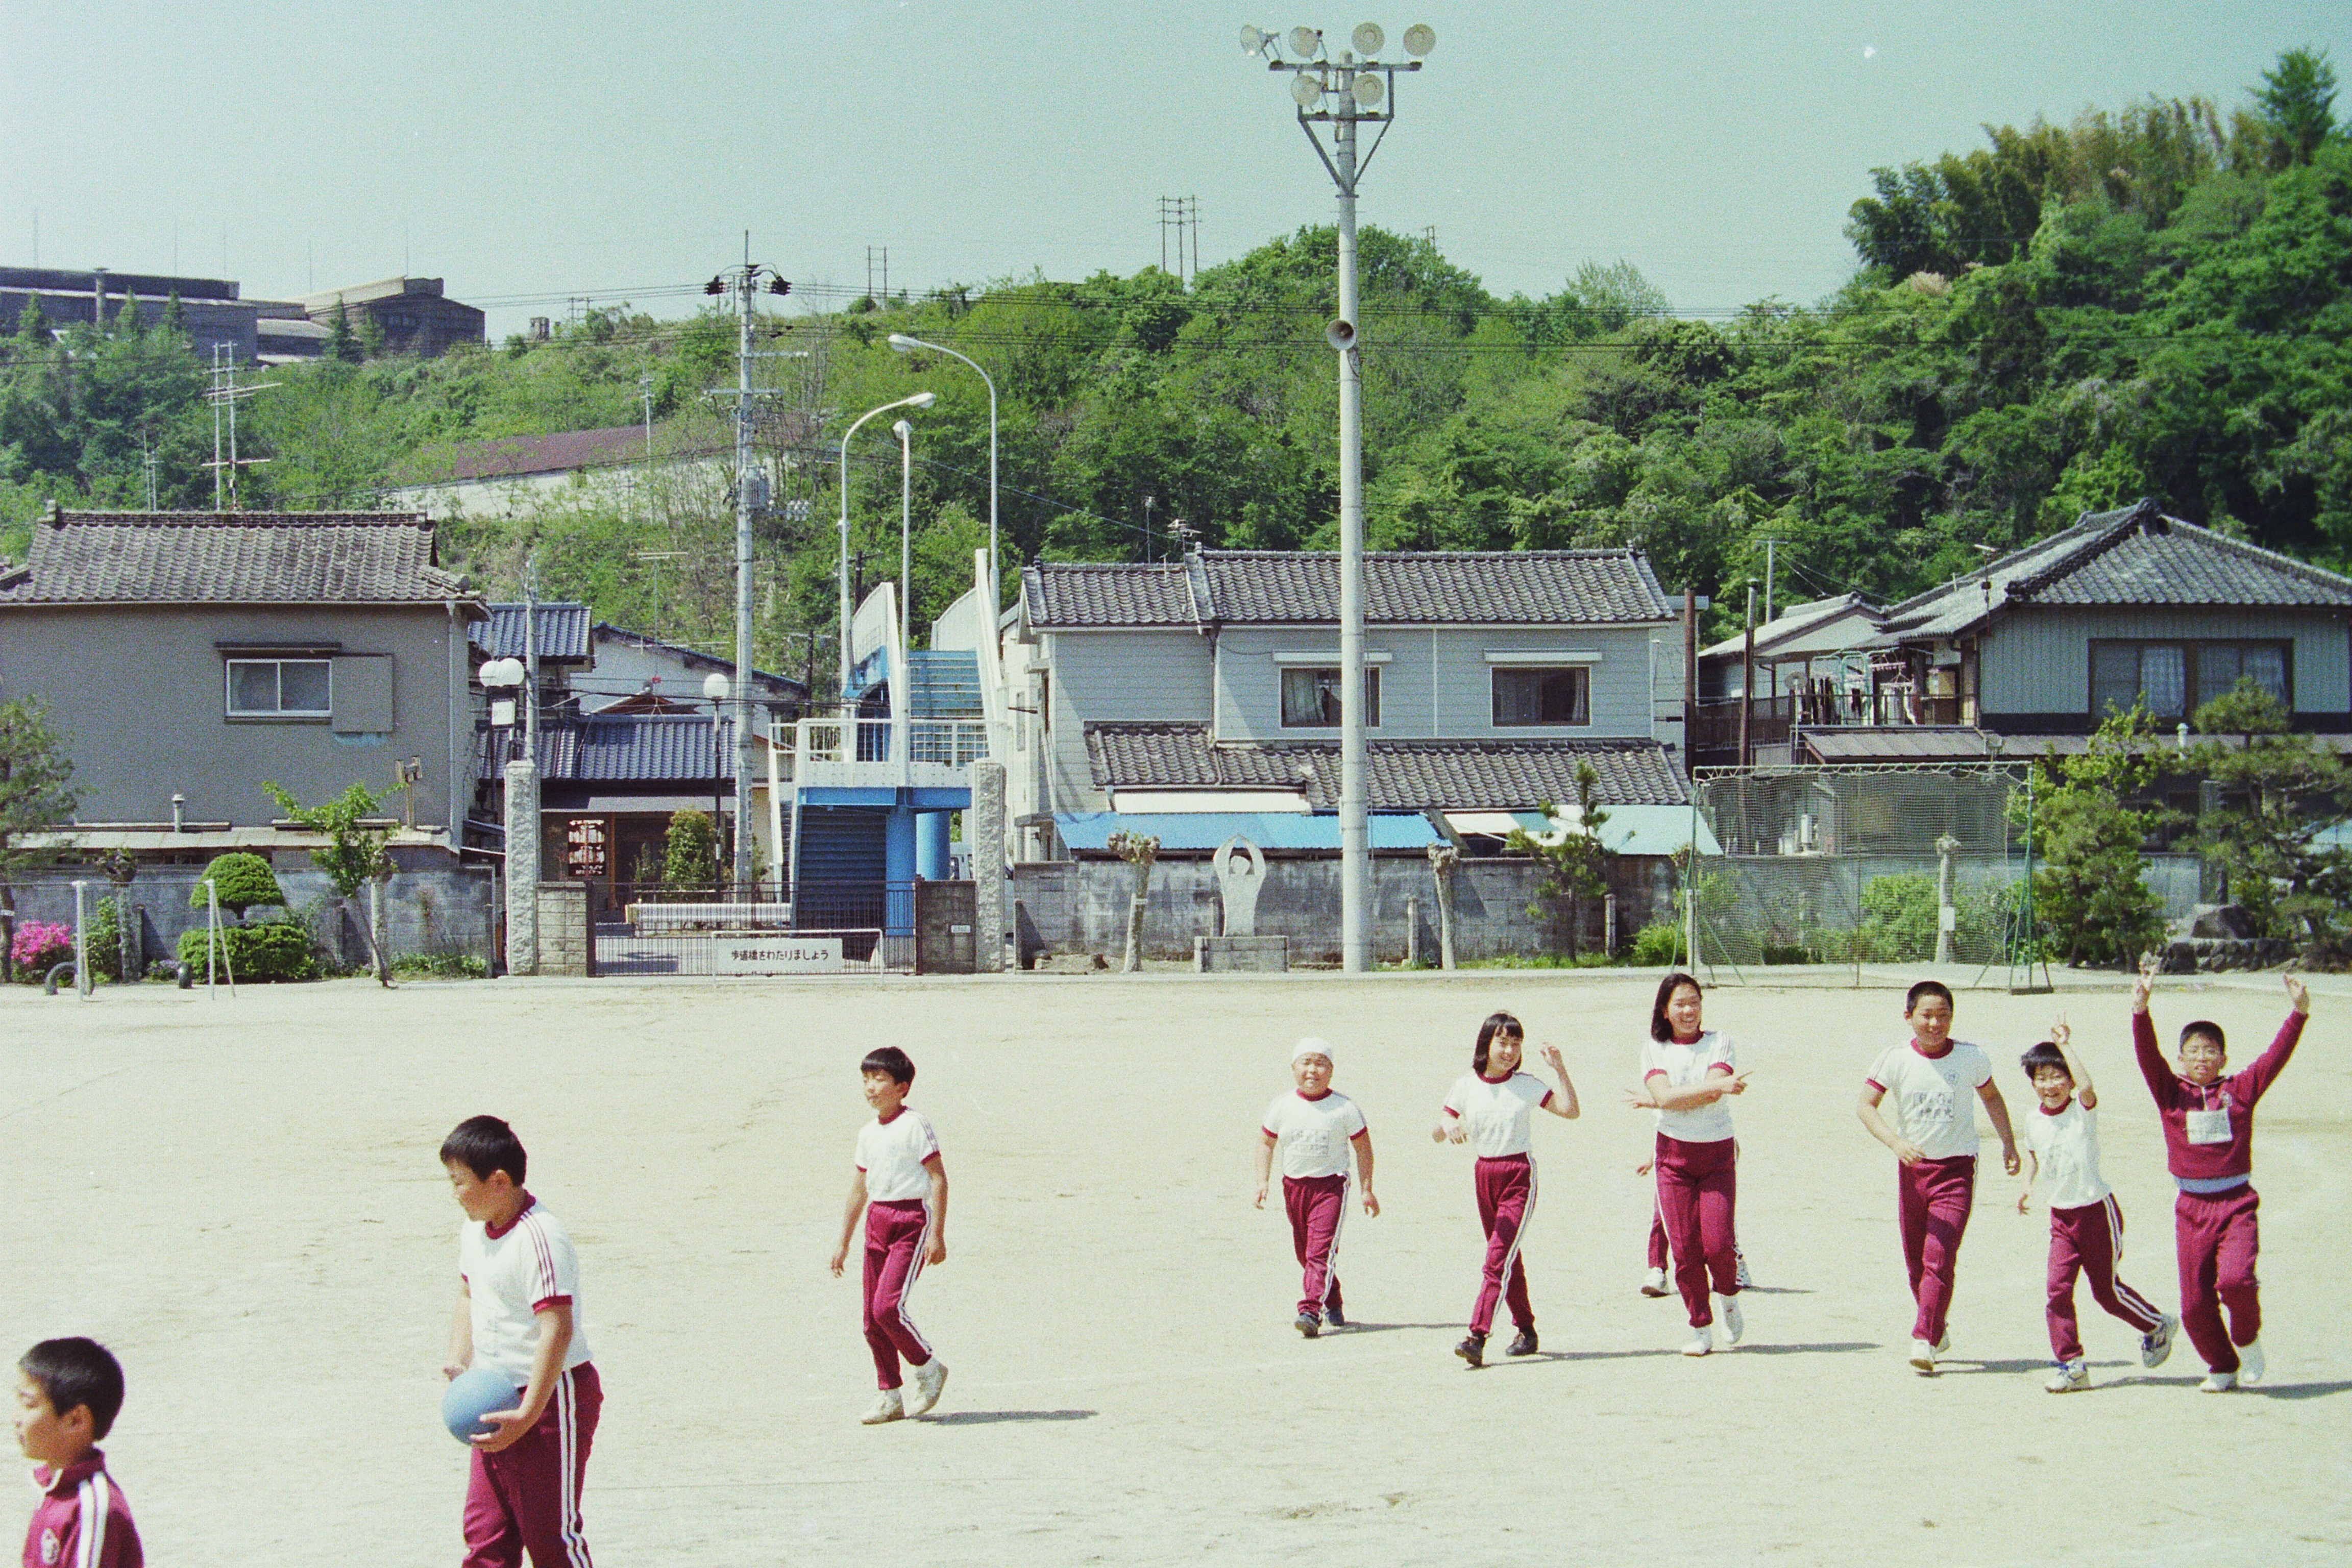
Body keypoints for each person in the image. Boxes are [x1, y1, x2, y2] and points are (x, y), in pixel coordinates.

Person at [2132, 955, 2310, 1392]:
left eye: (2211, 1051)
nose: (2202, 1059)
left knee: (2236, 1280)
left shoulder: (2240, 1090)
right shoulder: (2171, 1092)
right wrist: (2141, 1010)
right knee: (2194, 1305)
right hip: (2191, 1208)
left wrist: (2298, 1013)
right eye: (2194, 1052)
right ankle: (2222, 1365)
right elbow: (2146, 1056)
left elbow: (2274, 1057)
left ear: (2223, 1056)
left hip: (2235, 1203)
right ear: (2181, 1059)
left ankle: (2247, 1339)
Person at [441, 1115, 600, 1568]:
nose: (455, 1195)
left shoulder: (540, 1237)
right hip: (493, 1401)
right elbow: (469, 1292)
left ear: (498, 1181)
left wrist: (529, 1413)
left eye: (460, 1183)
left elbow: (557, 1327)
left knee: (551, 1538)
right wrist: (458, 1359)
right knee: (487, 1537)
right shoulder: (474, 1229)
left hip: (552, 1399)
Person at [1857, 979, 2021, 1375]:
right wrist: (1895, 1143)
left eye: (1943, 1015)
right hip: (1913, 1171)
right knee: (1916, 1262)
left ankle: (1923, 1338)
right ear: (1909, 1017)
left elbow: (1992, 1098)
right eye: (1926, 1015)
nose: (1935, 1023)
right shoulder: (1894, 1059)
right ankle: (1936, 1323)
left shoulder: (1971, 1057)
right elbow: (1865, 1105)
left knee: (1939, 1256)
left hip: (1956, 1170)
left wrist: (2008, 1143)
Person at [2015, 1020, 2174, 1392]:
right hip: (2062, 1218)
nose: (2050, 1085)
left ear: (2069, 1080)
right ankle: (2072, 1365)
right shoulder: (2033, 1119)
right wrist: (2027, 1185)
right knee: (2057, 1290)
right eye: (2041, 1078)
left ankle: (2157, 1325)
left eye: (2058, 1077)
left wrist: (2066, 1046)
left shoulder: (2082, 1111)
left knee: (2106, 1293)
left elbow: (2087, 1087)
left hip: (2097, 1213)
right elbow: (2035, 1155)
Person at [1433, 1012, 1579, 1367]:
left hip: (1518, 1175)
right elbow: (1440, 1127)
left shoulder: (1526, 1084)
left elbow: (1570, 1111)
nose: (1510, 1050)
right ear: (1487, 1043)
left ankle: (1477, 1335)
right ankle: (1526, 1330)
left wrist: (1560, 1070)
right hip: (1484, 1173)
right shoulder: (1467, 1084)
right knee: (1506, 1256)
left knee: (1496, 1258)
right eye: (1503, 1042)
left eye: (1516, 1044)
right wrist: (1449, 1125)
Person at [1628, 972, 1749, 1355]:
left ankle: (1728, 1297)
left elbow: (1706, 1094)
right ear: (1665, 1010)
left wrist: (1673, 1097)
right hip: (1672, 1158)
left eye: (1694, 1002)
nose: (1688, 1010)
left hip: (1715, 1155)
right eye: (1680, 1004)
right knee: (1684, 1250)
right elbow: (1671, 1096)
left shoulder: (1721, 1042)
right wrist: (1682, 1095)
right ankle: (1700, 1326)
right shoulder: (1653, 1048)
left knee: (1717, 1245)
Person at [830, 1046, 950, 1424]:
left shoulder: (915, 1125)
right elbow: (859, 1187)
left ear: (902, 1087)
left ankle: (928, 1366)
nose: (870, 1088)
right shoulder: (867, 1133)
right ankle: (890, 1395)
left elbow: (938, 1178)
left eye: (879, 1080)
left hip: (910, 1220)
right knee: (870, 1318)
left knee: (887, 1307)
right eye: (866, 1080)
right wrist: (844, 1241)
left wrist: (937, 1234)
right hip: (877, 1221)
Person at [1255, 1037, 1380, 1337]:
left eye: (1320, 1063)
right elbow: (1266, 1143)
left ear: (1331, 1070)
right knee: (1305, 1254)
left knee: (1319, 1253)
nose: (1313, 1070)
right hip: (1294, 1187)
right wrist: (1262, 1181)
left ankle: (1310, 1310)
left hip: (1330, 1187)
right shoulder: (1282, 1106)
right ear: (1294, 1067)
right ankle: (1332, 1299)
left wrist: (1366, 1188)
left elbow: (1363, 1149)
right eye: (1306, 1063)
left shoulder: (1344, 1108)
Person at [14, 1338, 140, 1568]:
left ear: (76, 1420)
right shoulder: (55, 1489)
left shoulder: (92, 1507)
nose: (17, 1419)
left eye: (30, 1406)